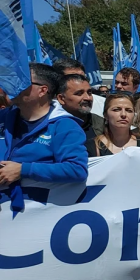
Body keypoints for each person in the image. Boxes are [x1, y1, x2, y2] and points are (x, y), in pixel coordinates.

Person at [0, 63, 88, 213]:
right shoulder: (4, 117)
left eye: (21, 80)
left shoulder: (64, 126)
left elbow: (77, 169)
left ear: (42, 90)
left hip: (32, 214)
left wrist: (22, 169)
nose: (14, 84)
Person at [88, 93, 140, 157]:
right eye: (116, 110)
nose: (123, 114)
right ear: (105, 115)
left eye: (129, 110)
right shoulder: (92, 147)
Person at [56, 73, 103, 142]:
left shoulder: (104, 125)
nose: (87, 98)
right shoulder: (50, 126)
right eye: (79, 93)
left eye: (89, 93)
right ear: (61, 99)